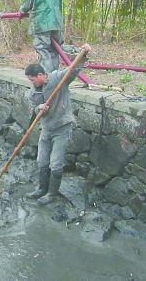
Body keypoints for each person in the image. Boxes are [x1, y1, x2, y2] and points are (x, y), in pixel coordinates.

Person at [25, 43, 91, 205]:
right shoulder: (34, 90)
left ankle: (51, 194)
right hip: (46, 128)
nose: (32, 82)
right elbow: (35, 107)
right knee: (42, 160)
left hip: (62, 127)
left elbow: (73, 70)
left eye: (33, 79)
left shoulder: (57, 78)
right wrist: (38, 107)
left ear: (41, 75)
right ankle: (41, 188)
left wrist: (83, 55)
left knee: (55, 163)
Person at [20, 0, 64, 74]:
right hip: (57, 23)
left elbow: (26, 5)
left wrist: (21, 12)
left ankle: (46, 80)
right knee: (55, 51)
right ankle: (54, 76)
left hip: (42, 23)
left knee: (44, 51)